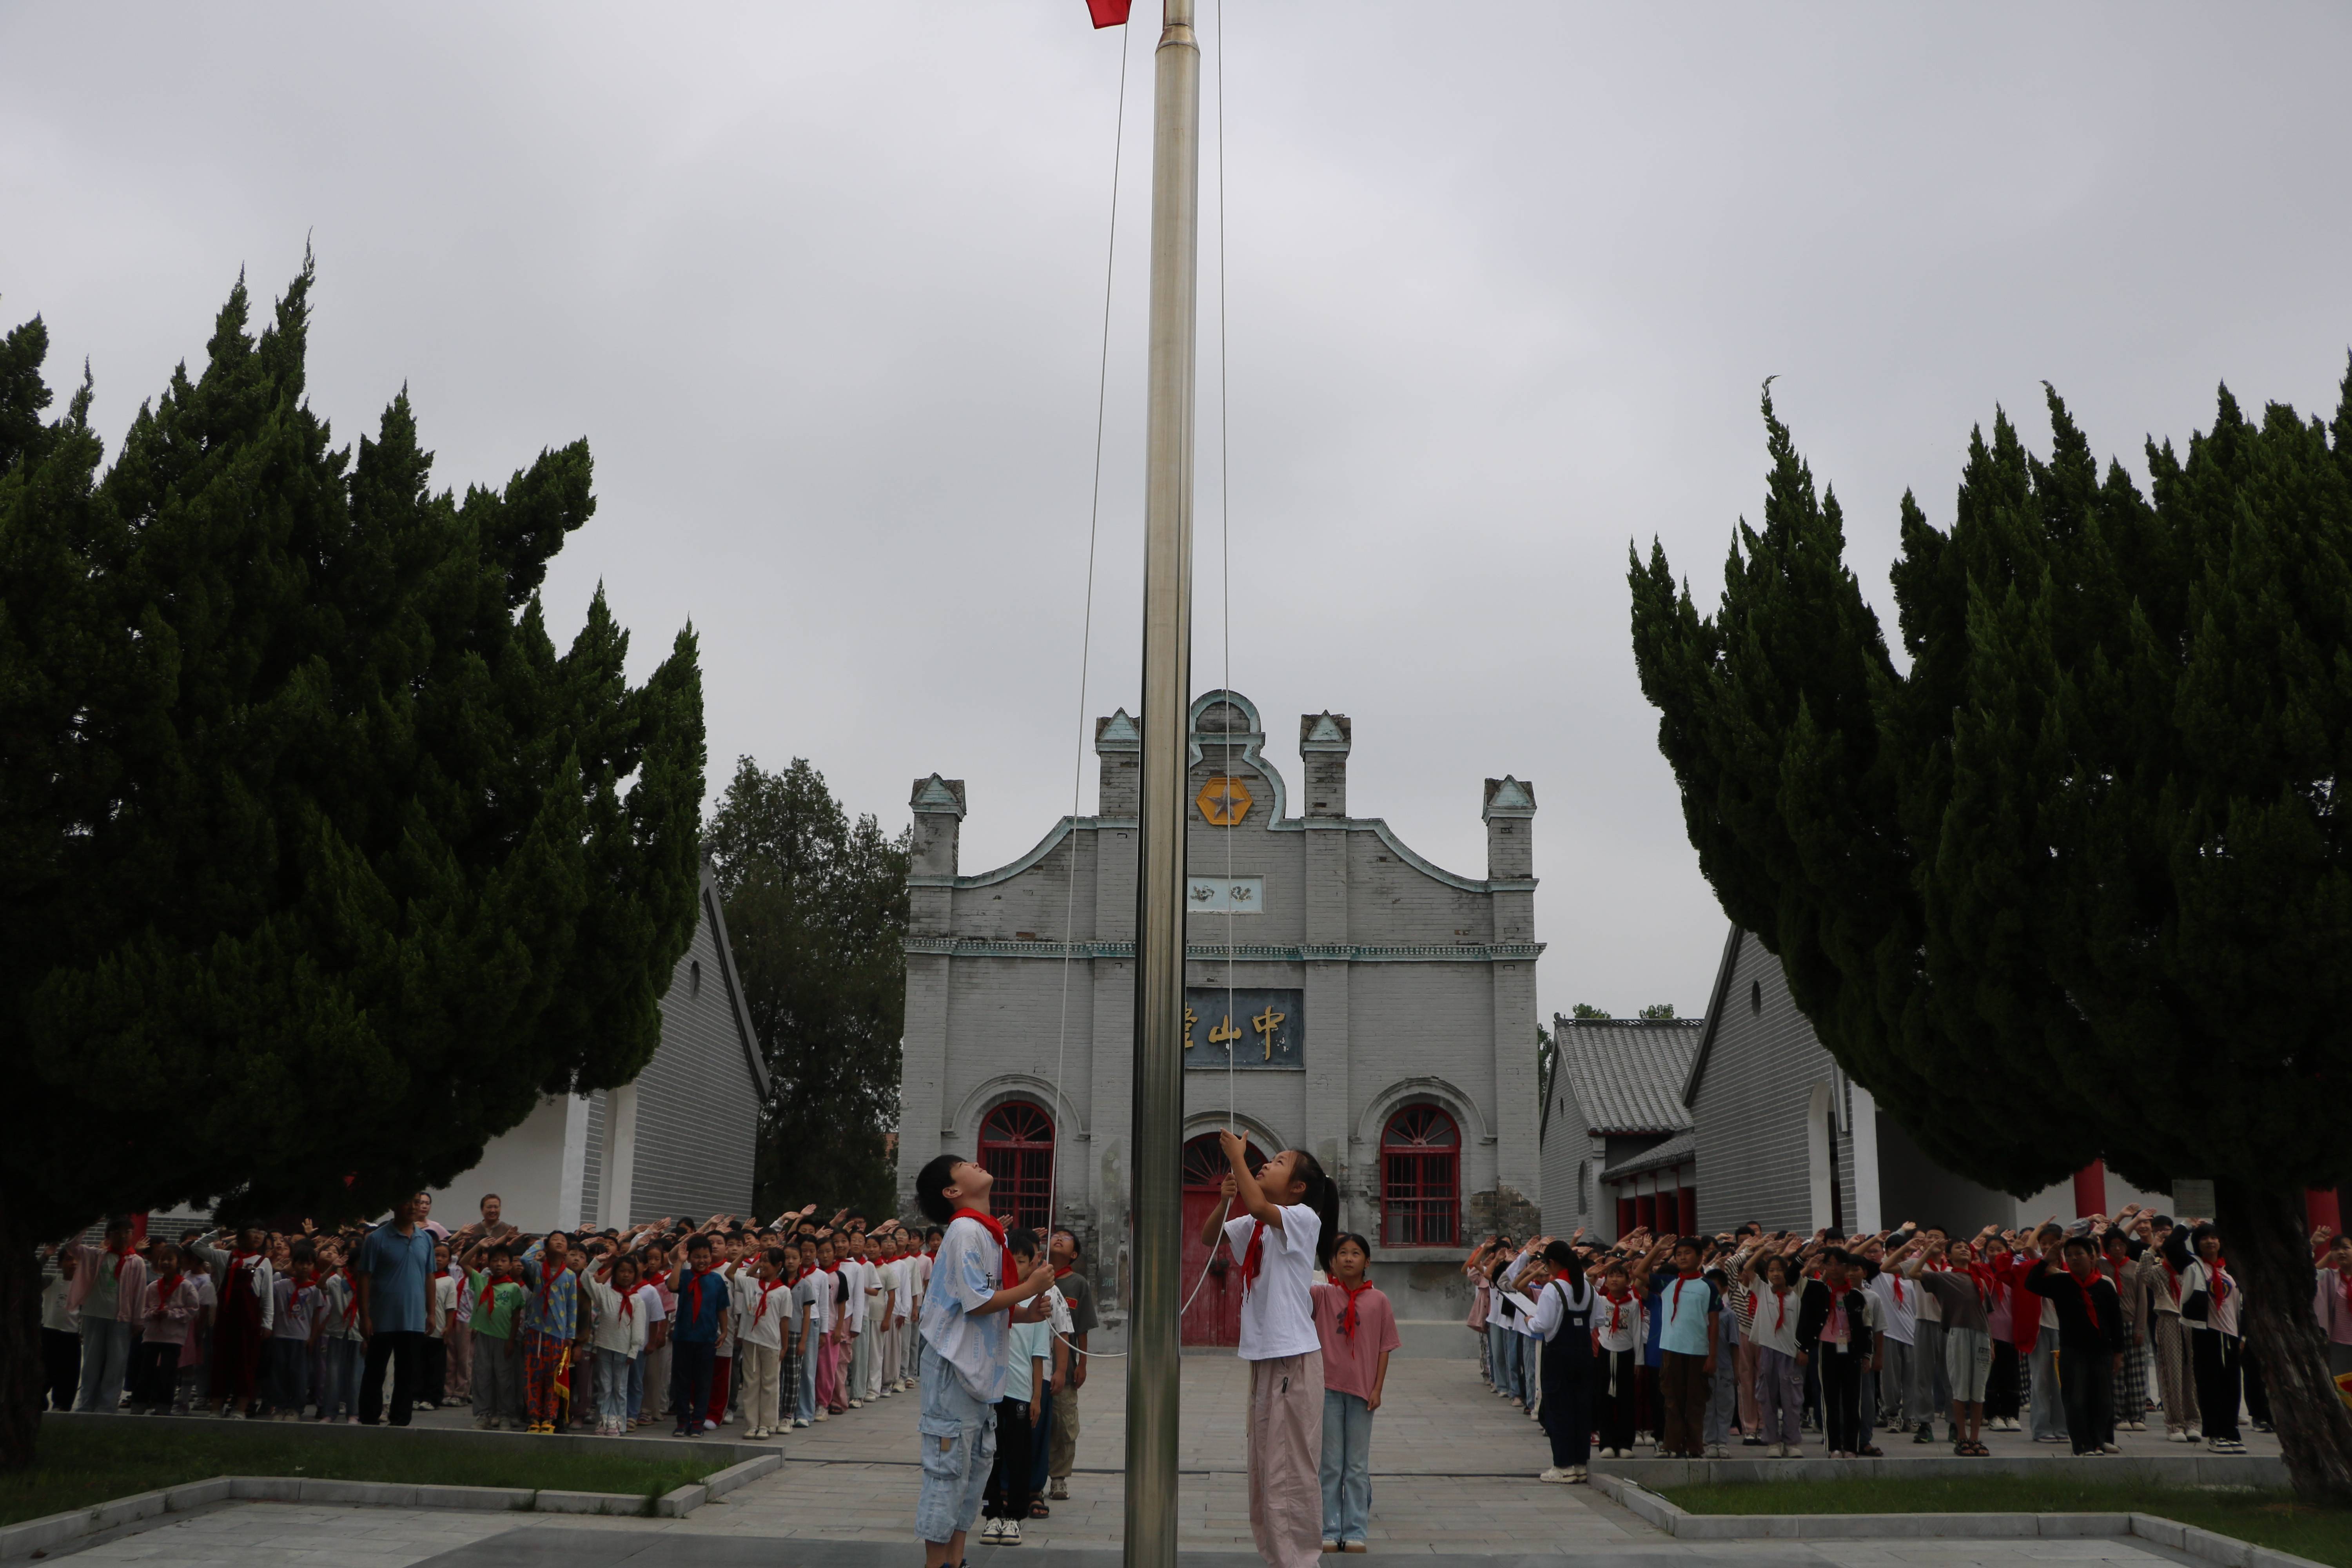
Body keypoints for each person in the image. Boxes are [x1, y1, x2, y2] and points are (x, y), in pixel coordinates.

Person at [1197, 1129, 1338, 1568]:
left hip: (1292, 1357)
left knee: (1289, 1469)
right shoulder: (1258, 1224)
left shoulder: (1301, 1217)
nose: (1266, 1164)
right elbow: (1209, 1237)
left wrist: (1238, 1157)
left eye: (1277, 1162)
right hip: (1266, 1359)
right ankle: (1279, 1558)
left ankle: (1300, 1561)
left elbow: (1259, 1202)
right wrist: (1225, 1197)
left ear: (1298, 1187)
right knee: (1263, 1467)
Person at [910, 1152, 1058, 1568]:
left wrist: (1028, 1310)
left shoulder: (987, 1233)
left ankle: (956, 1560)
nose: (975, 1163)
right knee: (947, 1473)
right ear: (953, 1191)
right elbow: (976, 1303)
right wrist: (1030, 1285)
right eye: (963, 1165)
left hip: (978, 1376)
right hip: (954, 1370)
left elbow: (988, 1305)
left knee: (973, 1473)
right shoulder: (963, 1232)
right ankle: (936, 1563)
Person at [1311, 1231, 1400, 1541]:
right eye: (1343, 1254)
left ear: (1367, 1261)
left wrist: (1377, 1389)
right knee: (1331, 1465)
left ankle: (1356, 1530)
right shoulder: (1321, 1296)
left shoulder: (1379, 1301)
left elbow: (1384, 1347)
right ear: (1333, 1262)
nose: (1349, 1259)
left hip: (1363, 1392)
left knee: (1357, 1465)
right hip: (1328, 1389)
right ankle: (1329, 1527)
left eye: (1356, 1253)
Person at [981, 1228, 1053, 1546]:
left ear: (1033, 1261)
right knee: (990, 1453)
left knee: (1019, 1454)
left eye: (1022, 1260)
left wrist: (1038, 1395)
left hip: (1021, 1388)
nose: (1016, 1265)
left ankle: (1015, 1517)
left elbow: (1039, 1354)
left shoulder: (1036, 1300)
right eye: (1010, 1259)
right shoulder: (993, 1296)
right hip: (991, 1388)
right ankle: (993, 1513)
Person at [2029, 1234, 2124, 1456]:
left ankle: (2100, 1440)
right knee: (2076, 1398)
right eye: (2069, 1255)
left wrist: (2118, 1352)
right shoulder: (2061, 1282)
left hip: (2101, 1350)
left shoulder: (2104, 1285)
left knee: (2103, 1398)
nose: (2074, 1259)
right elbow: (2031, 1283)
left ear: (2093, 1258)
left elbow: (2115, 1321)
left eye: (2080, 1254)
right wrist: (2047, 1259)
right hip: (2073, 1349)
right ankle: (2082, 1444)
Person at [1902, 1234, 1994, 1455]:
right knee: (1960, 1386)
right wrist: (1929, 1250)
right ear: (1949, 1256)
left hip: (1981, 1335)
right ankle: (1961, 1437)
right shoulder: (1944, 1277)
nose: (1964, 1250)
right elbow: (1914, 1273)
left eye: (1966, 1247)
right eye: (1958, 1248)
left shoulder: (1979, 1280)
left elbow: (1985, 1314)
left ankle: (1975, 1439)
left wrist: (1991, 1343)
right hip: (1958, 1333)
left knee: (1979, 1389)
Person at [354, 1194, 437, 1426]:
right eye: (407, 1201)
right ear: (393, 1205)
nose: (413, 1206)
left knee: (407, 1373)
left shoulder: (425, 1239)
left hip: (413, 1319)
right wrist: (365, 1316)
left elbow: (429, 1276)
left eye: (417, 1202)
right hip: (381, 1318)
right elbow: (364, 1278)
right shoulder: (377, 1239)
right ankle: (369, 1420)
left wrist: (431, 1313)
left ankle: (400, 1422)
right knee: (375, 1372)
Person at [1795, 1247, 1874, 1459]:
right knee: (1829, 1398)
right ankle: (1833, 1446)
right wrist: (1803, 1348)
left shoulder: (1857, 1296)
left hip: (1851, 1350)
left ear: (1847, 1268)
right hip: (1826, 1347)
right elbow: (1804, 1319)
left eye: (1839, 1264)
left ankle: (1851, 1445)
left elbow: (1867, 1328)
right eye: (1829, 1264)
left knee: (1852, 1400)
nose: (1834, 1269)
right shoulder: (1815, 1290)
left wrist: (1867, 1355)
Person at [1526, 1239, 1594, 1485]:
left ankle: (1563, 1466)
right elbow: (1595, 1320)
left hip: (1558, 1355)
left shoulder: (1553, 1289)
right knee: (1581, 1410)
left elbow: (1542, 1324)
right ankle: (1580, 1464)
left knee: (1559, 1410)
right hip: (1584, 1354)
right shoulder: (1588, 1287)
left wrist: (1528, 1321)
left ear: (1552, 1263)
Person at [2175, 1222, 2245, 1454]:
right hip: (2207, 1333)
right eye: (2204, 1238)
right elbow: (2172, 1246)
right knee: (2210, 1384)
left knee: (2233, 1385)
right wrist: (2187, 1225)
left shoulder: (2230, 1269)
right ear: (2198, 1243)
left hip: (2232, 1335)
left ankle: (2231, 1432)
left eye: (2215, 1237)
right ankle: (2216, 1434)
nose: (2210, 1241)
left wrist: (2243, 1334)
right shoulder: (2193, 1266)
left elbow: (2241, 1304)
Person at [69, 1218, 147, 1414]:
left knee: (116, 1364)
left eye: (127, 1232)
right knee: (91, 1363)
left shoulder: (136, 1262)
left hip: (122, 1319)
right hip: (95, 1315)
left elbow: (140, 1294)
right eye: (117, 1232)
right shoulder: (97, 1256)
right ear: (108, 1235)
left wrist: (138, 1321)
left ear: (132, 1235)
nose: (122, 1236)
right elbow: (72, 1247)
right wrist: (87, 1224)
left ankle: (107, 1406)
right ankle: (86, 1404)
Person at [1653, 1236, 1720, 1459]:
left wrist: (1712, 1356)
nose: (1682, 1257)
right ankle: (1672, 1444)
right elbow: (1639, 1275)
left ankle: (1694, 1445)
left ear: (1701, 1257)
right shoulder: (1668, 1282)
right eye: (1679, 1254)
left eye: (1688, 1253)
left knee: (1695, 1400)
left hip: (1698, 1351)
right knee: (1672, 1398)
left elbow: (1714, 1324)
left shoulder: (1707, 1286)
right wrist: (1657, 1250)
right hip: (1672, 1349)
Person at [1045, 1228, 1100, 1503]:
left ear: (1074, 1254)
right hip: (1034, 1366)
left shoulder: (1078, 1284)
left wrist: (1083, 1365)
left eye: (1066, 1239)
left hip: (1064, 1370)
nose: (1058, 1239)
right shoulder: (1034, 1277)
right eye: (1056, 1235)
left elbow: (1082, 1329)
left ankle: (1058, 1479)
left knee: (1064, 1425)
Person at [668, 1234, 731, 1439]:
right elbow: (672, 1286)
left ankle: (698, 1423)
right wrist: (680, 1261)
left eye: (705, 1256)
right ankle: (682, 1421)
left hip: (706, 1339)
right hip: (684, 1337)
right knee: (682, 1381)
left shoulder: (716, 1280)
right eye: (697, 1257)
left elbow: (722, 1308)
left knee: (704, 1382)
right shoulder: (685, 1275)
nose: (702, 1261)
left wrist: (724, 1331)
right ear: (690, 1258)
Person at [518, 1232, 580, 1436]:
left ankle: (550, 1418)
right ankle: (534, 1417)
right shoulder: (537, 1269)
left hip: (558, 1334)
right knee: (533, 1376)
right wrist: (541, 1243)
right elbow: (525, 1259)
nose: (559, 1242)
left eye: (563, 1240)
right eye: (555, 1239)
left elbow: (572, 1308)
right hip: (536, 1331)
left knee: (553, 1379)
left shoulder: (570, 1275)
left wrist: (570, 1336)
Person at [131, 1242, 202, 1417]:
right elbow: (142, 1308)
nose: (166, 1263)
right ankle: (139, 1404)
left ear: (179, 1262)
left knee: (168, 1374)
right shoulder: (153, 1286)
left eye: (170, 1259)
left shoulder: (186, 1286)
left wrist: (171, 1314)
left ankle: (164, 1406)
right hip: (152, 1336)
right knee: (146, 1372)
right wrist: (152, 1314)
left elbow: (193, 1309)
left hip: (173, 1337)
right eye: (163, 1259)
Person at [1743, 1250, 1804, 1457]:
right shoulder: (1763, 1290)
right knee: (1768, 1399)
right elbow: (1747, 1269)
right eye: (1771, 1270)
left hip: (1790, 1353)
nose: (1776, 1274)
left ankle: (1792, 1442)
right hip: (1769, 1351)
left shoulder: (1796, 1295)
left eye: (1780, 1270)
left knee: (1792, 1400)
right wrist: (1761, 1247)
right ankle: (1772, 1442)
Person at [466, 1240, 527, 1429]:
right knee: (483, 1376)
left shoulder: (513, 1288)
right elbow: (463, 1263)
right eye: (494, 1260)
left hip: (505, 1339)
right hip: (484, 1336)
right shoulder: (481, 1280)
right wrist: (479, 1246)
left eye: (503, 1261)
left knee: (505, 1378)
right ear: (488, 1263)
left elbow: (516, 1316)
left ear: (510, 1265)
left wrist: (511, 1340)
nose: (499, 1264)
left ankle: (505, 1415)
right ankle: (484, 1415)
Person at [586, 1252, 648, 1436]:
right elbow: (586, 1279)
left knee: (620, 1388)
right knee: (605, 1387)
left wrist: (634, 1350)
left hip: (624, 1349)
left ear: (635, 1275)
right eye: (622, 1271)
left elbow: (638, 1328)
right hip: (605, 1346)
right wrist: (596, 1263)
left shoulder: (637, 1299)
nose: (626, 1275)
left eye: (630, 1272)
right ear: (615, 1273)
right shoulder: (604, 1292)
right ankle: (603, 1421)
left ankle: (617, 1423)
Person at [263, 1242, 323, 1419]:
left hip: (301, 1338)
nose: (305, 1267)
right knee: (279, 1374)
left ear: (314, 1266)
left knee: (299, 1375)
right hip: (281, 1336)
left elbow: (316, 1316)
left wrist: (313, 1337)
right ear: (293, 1263)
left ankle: (296, 1408)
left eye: (309, 1263)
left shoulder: (315, 1290)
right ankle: (280, 1406)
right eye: (300, 1263)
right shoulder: (280, 1285)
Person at [1593, 1258, 1646, 1457]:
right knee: (1604, 1399)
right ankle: (1607, 1442)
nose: (1615, 1279)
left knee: (1626, 1399)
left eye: (1619, 1275)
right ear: (1605, 1281)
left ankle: (1625, 1443)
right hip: (1606, 1352)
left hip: (1626, 1354)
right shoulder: (1600, 1301)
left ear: (1628, 1280)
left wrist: (1639, 1361)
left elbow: (1637, 1333)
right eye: (1611, 1276)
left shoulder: (1633, 1304)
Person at [737, 1247, 791, 1439]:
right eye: (762, 1260)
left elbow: (784, 1321)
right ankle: (752, 1423)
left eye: (767, 1261)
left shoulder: (784, 1291)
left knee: (770, 1383)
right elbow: (731, 1274)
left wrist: (785, 1346)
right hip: (751, 1340)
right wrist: (747, 1258)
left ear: (778, 1266)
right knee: (751, 1383)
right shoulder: (752, 1283)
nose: (763, 1264)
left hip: (771, 1342)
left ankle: (768, 1424)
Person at [317, 1240, 363, 1421]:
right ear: (351, 1264)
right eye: (360, 1262)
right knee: (333, 1375)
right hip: (338, 1332)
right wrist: (332, 1268)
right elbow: (320, 1285)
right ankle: (330, 1412)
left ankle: (354, 1413)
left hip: (359, 1333)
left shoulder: (370, 1283)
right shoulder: (337, 1280)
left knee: (356, 1376)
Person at [2314, 1233, 2352, 1379]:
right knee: (2344, 1390)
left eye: (2346, 1248)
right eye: (2335, 1249)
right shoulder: (2330, 1277)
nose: (2341, 1252)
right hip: (2339, 1344)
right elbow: (2310, 1277)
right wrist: (2314, 1245)